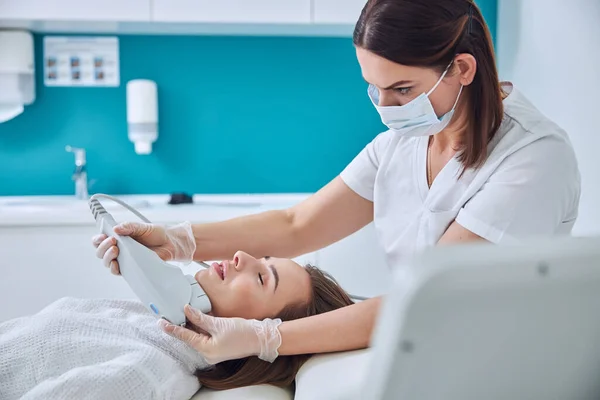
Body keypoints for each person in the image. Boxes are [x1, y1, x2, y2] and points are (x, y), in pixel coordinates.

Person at [93, 0, 580, 369]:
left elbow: (429, 301)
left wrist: (264, 339)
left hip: (503, 364)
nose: (387, 107)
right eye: (374, 87)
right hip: (427, 344)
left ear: (463, 69)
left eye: (403, 90)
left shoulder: (531, 161)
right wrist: (177, 241)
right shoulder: (405, 141)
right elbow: (296, 224)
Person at [0, 252, 353, 399]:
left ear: (253, 332)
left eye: (262, 278)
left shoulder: (146, 371)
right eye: (260, 258)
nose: (241, 256)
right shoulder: (152, 320)